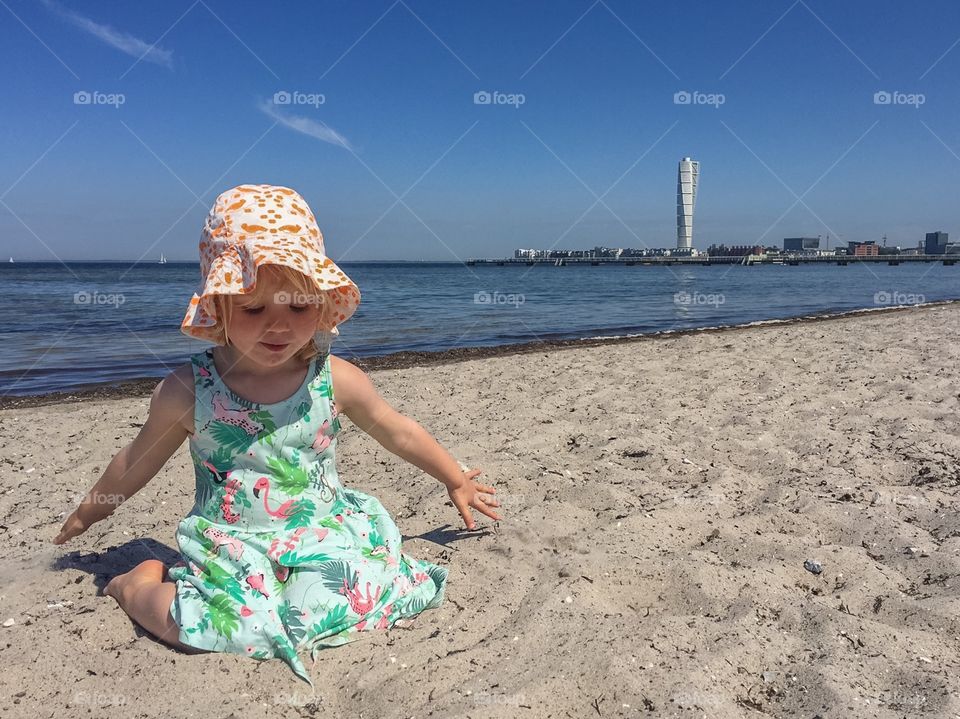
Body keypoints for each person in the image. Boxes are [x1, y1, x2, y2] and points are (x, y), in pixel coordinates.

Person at [52, 183, 501, 686]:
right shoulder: (189, 392)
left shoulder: (336, 379)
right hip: (232, 542)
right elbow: (136, 460)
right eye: (253, 310)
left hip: (322, 530)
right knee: (216, 628)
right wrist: (89, 510)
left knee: (358, 593)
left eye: (299, 308)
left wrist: (453, 478)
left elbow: (398, 432)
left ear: (324, 305)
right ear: (218, 307)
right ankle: (135, 585)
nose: (279, 327)